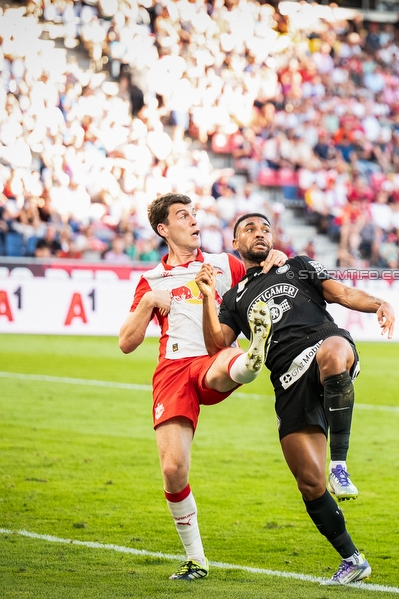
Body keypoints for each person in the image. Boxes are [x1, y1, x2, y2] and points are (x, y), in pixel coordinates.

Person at [198, 212, 395, 585]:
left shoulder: (298, 266)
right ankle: (353, 560)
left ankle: (340, 463)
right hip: (288, 380)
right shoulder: (235, 297)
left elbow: (341, 293)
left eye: (265, 228)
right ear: (236, 244)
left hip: (323, 344)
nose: (260, 233)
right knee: (309, 483)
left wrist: (377, 303)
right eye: (249, 229)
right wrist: (209, 298)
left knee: (335, 352)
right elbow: (216, 345)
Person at [118, 193, 284, 581]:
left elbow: (269, 271)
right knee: (173, 469)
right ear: (164, 229)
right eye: (183, 216)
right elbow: (126, 342)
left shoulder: (225, 265)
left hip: (212, 358)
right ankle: (196, 559)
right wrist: (148, 305)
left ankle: (250, 360)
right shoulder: (151, 280)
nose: (194, 221)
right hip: (172, 370)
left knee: (227, 359)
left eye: (195, 214)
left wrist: (277, 261)